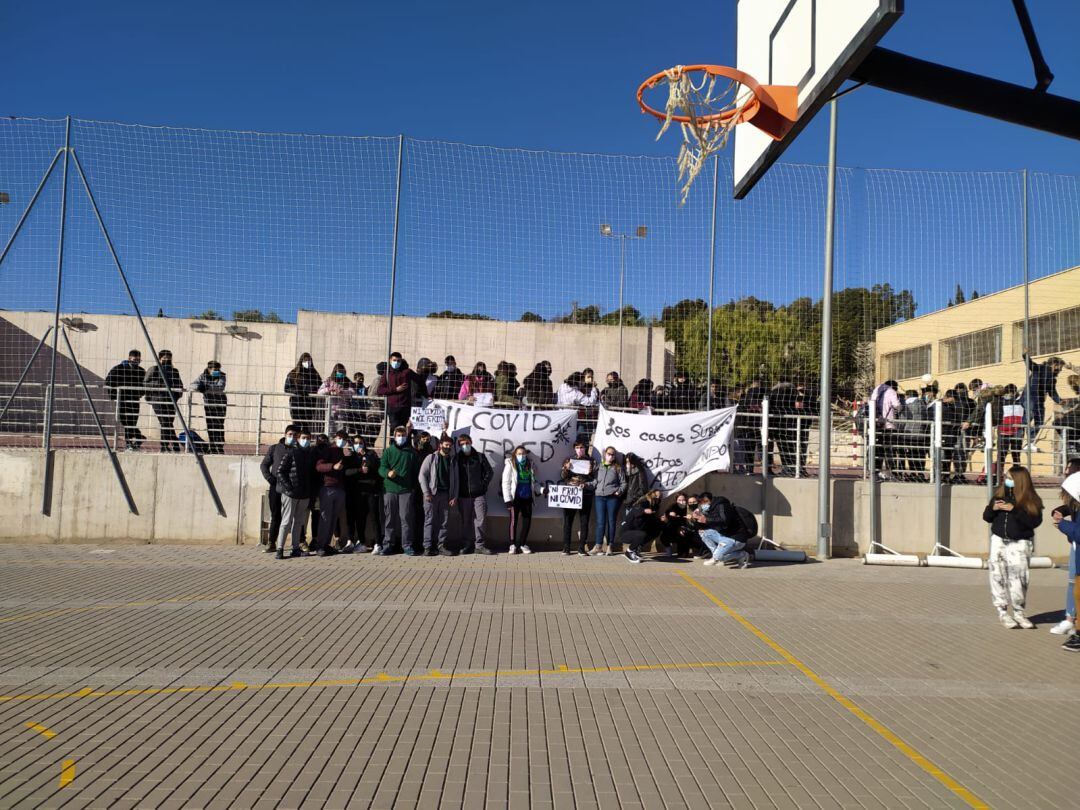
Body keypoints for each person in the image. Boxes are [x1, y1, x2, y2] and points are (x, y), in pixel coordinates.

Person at [983, 465, 1043, 629]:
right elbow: (987, 517)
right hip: (999, 541)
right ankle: (1002, 612)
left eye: (1010, 478)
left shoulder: (1032, 500)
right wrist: (993, 508)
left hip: (1020, 543)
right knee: (997, 575)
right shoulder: (999, 496)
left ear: (1019, 481)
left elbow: (1034, 522)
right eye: (1006, 477)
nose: (1006, 481)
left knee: (1019, 578)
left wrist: (1015, 510)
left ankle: (1019, 613)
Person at [274, 427, 318, 559]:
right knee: (286, 521)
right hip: (291, 494)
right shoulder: (291, 453)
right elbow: (280, 472)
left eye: (308, 439)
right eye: (303, 438)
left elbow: (311, 475)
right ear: (298, 439)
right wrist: (288, 488)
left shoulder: (310, 455)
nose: (306, 441)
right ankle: (280, 549)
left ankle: (295, 548)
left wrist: (309, 491)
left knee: (299, 522)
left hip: (304, 494)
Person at [314, 430, 359, 556]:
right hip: (328, 487)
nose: (343, 441)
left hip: (340, 488)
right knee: (325, 518)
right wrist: (333, 466)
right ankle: (320, 546)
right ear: (336, 438)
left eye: (345, 439)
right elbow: (319, 466)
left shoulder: (342, 452)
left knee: (333, 519)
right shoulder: (329, 450)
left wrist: (349, 455)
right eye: (341, 438)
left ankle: (327, 544)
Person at [1049, 462, 1080, 638]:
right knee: (1073, 583)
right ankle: (1069, 620)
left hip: (1077, 540)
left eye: (1068, 470)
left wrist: (1063, 525)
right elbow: (1072, 507)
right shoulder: (1074, 498)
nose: (1065, 472)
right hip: (1076, 544)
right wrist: (1061, 510)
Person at [380, 424, 421, 555]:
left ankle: (407, 545)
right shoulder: (388, 451)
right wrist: (387, 473)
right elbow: (381, 468)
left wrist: (413, 488)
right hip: (390, 489)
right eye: (399, 435)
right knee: (390, 518)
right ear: (394, 436)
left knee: (406, 518)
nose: (401, 438)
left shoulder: (412, 453)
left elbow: (416, 472)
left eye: (403, 435)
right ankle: (388, 544)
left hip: (406, 491)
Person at [452, 433, 495, 554]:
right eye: (462, 444)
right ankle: (466, 544)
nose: (465, 445)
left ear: (471, 442)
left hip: (479, 495)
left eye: (467, 443)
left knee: (480, 520)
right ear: (459, 446)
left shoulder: (480, 457)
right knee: (466, 521)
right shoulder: (457, 458)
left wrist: (483, 486)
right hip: (463, 495)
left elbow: (489, 473)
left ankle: (479, 546)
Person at [419, 434, 459, 557]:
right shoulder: (431, 458)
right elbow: (422, 476)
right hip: (431, 495)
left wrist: (454, 496)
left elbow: (456, 480)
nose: (448, 447)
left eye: (450, 446)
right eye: (446, 445)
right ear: (440, 445)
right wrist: (426, 492)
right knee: (429, 520)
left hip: (446, 495)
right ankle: (427, 547)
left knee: (444, 521)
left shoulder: (452, 461)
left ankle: (441, 546)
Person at [260, 424, 297, 553]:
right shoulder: (275, 449)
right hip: (276, 487)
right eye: (290, 435)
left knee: (293, 517)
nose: (292, 437)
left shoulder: (297, 451)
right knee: (276, 515)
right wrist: (270, 478)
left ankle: (297, 543)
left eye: (294, 435)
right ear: (285, 434)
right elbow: (264, 465)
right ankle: (272, 543)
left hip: (291, 489)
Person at [1022, 351, 1068, 450]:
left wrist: (1059, 400)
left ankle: (1029, 443)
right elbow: (1030, 364)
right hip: (1030, 397)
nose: (1060, 370)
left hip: (1040, 400)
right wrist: (1025, 355)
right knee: (1027, 419)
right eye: (1060, 367)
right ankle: (1017, 439)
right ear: (1055, 365)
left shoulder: (1052, 378)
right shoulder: (1039, 368)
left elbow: (1052, 391)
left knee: (1039, 421)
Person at [345, 434, 383, 553]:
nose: (358, 445)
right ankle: (361, 542)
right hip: (358, 492)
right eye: (356, 443)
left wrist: (365, 455)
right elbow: (346, 472)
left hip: (371, 491)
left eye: (360, 443)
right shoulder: (352, 457)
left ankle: (378, 543)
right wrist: (359, 470)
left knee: (374, 518)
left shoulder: (371, 454)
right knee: (360, 518)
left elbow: (376, 466)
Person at [694, 492, 752, 568]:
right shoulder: (711, 508)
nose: (703, 505)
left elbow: (724, 520)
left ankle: (742, 554)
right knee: (704, 533)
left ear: (708, 500)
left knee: (718, 558)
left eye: (704, 502)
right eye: (701, 504)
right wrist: (697, 519)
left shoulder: (722, 505)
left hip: (735, 537)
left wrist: (706, 520)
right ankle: (716, 556)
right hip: (724, 535)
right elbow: (711, 523)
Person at [105, 349, 147, 451]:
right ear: (129, 358)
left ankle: (129, 443)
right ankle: (138, 437)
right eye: (134, 359)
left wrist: (140, 393)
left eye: (138, 359)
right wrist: (114, 394)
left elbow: (145, 385)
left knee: (131, 422)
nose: (136, 361)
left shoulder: (141, 371)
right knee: (125, 421)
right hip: (122, 399)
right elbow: (109, 381)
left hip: (134, 400)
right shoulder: (119, 368)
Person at [560, 439, 596, 555]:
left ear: (585, 448)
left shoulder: (592, 461)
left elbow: (595, 479)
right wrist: (566, 468)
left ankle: (581, 548)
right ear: (574, 449)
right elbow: (563, 477)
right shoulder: (568, 460)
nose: (579, 450)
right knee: (568, 521)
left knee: (584, 521)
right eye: (577, 448)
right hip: (571, 493)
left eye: (581, 447)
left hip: (585, 494)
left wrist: (590, 474)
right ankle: (566, 547)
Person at [501, 445, 540, 554]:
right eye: (519, 454)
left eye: (523, 454)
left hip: (527, 497)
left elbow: (534, 482)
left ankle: (523, 544)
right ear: (515, 455)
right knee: (514, 522)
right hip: (515, 498)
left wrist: (541, 490)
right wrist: (507, 500)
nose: (521, 456)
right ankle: (512, 544)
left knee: (527, 522)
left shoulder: (530, 465)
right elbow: (506, 482)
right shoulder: (510, 464)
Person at [143, 349, 183, 452]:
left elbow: (179, 384)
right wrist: (159, 384)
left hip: (171, 400)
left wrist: (177, 395)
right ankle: (168, 445)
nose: (167, 359)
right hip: (158, 399)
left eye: (169, 358)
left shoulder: (174, 371)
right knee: (165, 422)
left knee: (168, 422)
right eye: (164, 357)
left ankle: (170, 445)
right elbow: (145, 383)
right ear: (160, 358)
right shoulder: (154, 369)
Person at [593, 446, 627, 555]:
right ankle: (598, 546)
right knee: (600, 522)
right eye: (609, 454)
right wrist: (585, 484)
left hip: (612, 498)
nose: (611, 456)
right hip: (599, 497)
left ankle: (610, 546)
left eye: (613, 454)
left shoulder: (617, 468)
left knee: (611, 522)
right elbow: (595, 482)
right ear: (605, 454)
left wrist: (619, 491)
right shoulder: (599, 467)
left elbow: (624, 483)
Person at [619, 490, 666, 564]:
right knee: (642, 534)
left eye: (660, 497)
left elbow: (650, 521)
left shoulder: (654, 507)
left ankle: (636, 548)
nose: (658, 498)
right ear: (650, 495)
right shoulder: (643, 503)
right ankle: (629, 551)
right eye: (656, 496)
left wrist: (660, 519)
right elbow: (635, 511)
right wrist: (643, 511)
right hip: (626, 533)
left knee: (656, 529)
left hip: (638, 531)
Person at [192, 360, 227, 454]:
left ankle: (219, 446)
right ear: (209, 369)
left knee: (219, 425)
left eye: (217, 369)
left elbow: (220, 386)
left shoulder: (222, 376)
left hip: (220, 403)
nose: (215, 371)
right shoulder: (203, 376)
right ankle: (212, 446)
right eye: (214, 369)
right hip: (209, 404)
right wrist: (199, 387)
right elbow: (193, 385)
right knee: (210, 425)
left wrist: (206, 387)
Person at [284, 353, 323, 435]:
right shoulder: (294, 374)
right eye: (305, 360)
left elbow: (320, 386)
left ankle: (305, 442)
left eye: (309, 360)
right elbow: (287, 388)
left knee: (307, 424)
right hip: (296, 403)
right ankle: (295, 442)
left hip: (310, 403)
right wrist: (297, 391)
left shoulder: (314, 374)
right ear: (301, 361)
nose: (308, 362)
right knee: (297, 424)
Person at [377, 352, 416, 430]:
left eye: (398, 361)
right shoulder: (387, 374)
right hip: (392, 407)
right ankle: (393, 442)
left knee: (405, 429)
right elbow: (380, 390)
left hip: (405, 406)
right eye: (394, 360)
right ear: (390, 360)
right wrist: (395, 389)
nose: (396, 362)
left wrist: (426, 394)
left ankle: (404, 442)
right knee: (394, 429)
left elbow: (419, 380)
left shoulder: (407, 372)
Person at [318, 363, 355, 433]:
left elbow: (352, 392)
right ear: (335, 371)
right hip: (330, 409)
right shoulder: (329, 380)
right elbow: (319, 392)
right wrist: (329, 389)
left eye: (342, 372)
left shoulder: (347, 381)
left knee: (341, 431)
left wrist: (342, 392)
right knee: (330, 430)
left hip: (343, 409)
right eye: (339, 372)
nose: (340, 373)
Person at [660, 492, 698, 557]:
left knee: (684, 534)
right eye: (679, 500)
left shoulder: (689, 507)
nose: (681, 502)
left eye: (683, 500)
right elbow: (668, 516)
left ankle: (684, 552)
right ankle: (668, 548)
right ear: (676, 500)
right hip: (674, 529)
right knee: (664, 535)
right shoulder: (673, 506)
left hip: (687, 529)